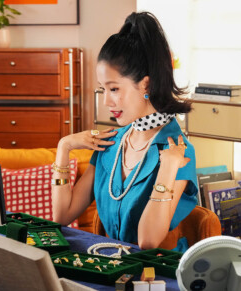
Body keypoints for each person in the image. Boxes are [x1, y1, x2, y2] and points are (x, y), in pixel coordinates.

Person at [51, 12, 197, 251]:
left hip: (156, 279)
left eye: (114, 89)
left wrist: (168, 168)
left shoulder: (179, 153)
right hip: (108, 270)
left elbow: (148, 241)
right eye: (103, 89)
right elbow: (62, 215)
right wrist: (64, 147)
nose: (106, 101)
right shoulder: (110, 143)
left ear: (146, 85)